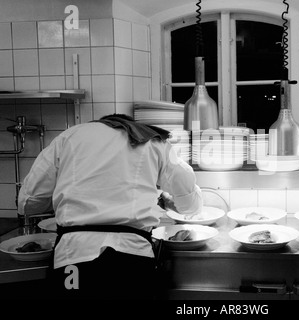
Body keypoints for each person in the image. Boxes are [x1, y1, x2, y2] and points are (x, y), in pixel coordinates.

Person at [17, 113, 202, 300]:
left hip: (73, 260)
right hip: (132, 261)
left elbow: (27, 203)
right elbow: (189, 204)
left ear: (103, 122)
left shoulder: (69, 136)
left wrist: (65, 195)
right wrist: (167, 200)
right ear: (129, 124)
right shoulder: (152, 140)